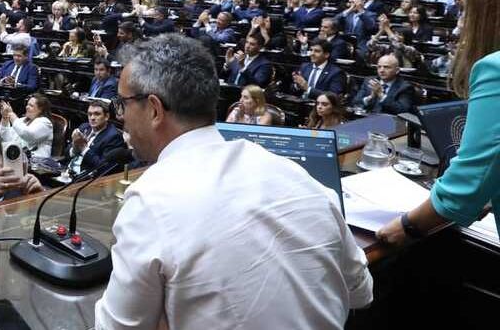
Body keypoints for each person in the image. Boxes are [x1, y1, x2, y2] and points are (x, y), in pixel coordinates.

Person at [94, 34, 372, 329]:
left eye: (122, 103)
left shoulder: (150, 200)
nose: (121, 117)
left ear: (154, 109)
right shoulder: (298, 176)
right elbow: (361, 292)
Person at [378, 0, 500, 248]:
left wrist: (403, 227)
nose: (462, 17)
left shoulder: (495, 68)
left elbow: (467, 184)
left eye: (466, 7)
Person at [68, 101, 126, 176]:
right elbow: (66, 153)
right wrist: (75, 148)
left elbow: (105, 167)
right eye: (89, 114)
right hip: (66, 171)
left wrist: (83, 149)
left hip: (83, 178)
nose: (92, 118)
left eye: (97, 114)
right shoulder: (84, 127)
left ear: (106, 116)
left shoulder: (114, 137)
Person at [350, 52, 417, 115]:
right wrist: (370, 97)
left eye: (386, 67)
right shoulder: (369, 81)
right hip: (366, 119)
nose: (381, 70)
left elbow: (402, 110)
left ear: (397, 70)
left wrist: (381, 95)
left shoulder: (405, 87)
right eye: (379, 67)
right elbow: (355, 103)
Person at [0, 93, 53, 158]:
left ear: (40, 109)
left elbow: (28, 134)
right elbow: (6, 137)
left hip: (38, 163)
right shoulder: (23, 120)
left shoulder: (45, 123)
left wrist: (11, 114)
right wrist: (5, 117)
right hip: (19, 160)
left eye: (31, 105)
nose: (27, 107)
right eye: (27, 104)